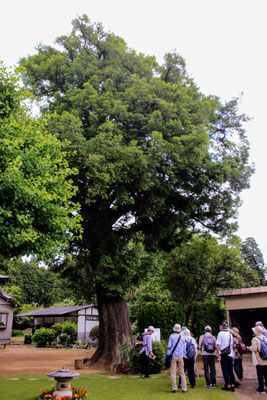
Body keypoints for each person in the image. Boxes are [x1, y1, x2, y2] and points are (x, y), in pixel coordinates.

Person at [167, 323, 187, 393]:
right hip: (180, 355)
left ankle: (174, 388)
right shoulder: (182, 337)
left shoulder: (171, 336)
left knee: (173, 372)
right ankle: (184, 388)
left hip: (174, 355)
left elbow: (169, 346)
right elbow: (184, 347)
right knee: (182, 372)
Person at [216, 322, 235, 392]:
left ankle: (227, 385)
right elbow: (232, 345)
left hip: (224, 354)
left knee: (225, 370)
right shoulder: (230, 334)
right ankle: (232, 384)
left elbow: (218, 345)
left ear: (221, 327)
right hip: (230, 353)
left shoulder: (220, 334)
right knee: (230, 370)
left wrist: (217, 352)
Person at [249, 325, 267, 394]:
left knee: (260, 374)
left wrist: (249, 348)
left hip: (259, 360)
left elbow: (255, 349)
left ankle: (261, 389)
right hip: (266, 359)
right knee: (266, 374)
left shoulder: (254, 339)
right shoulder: (265, 338)